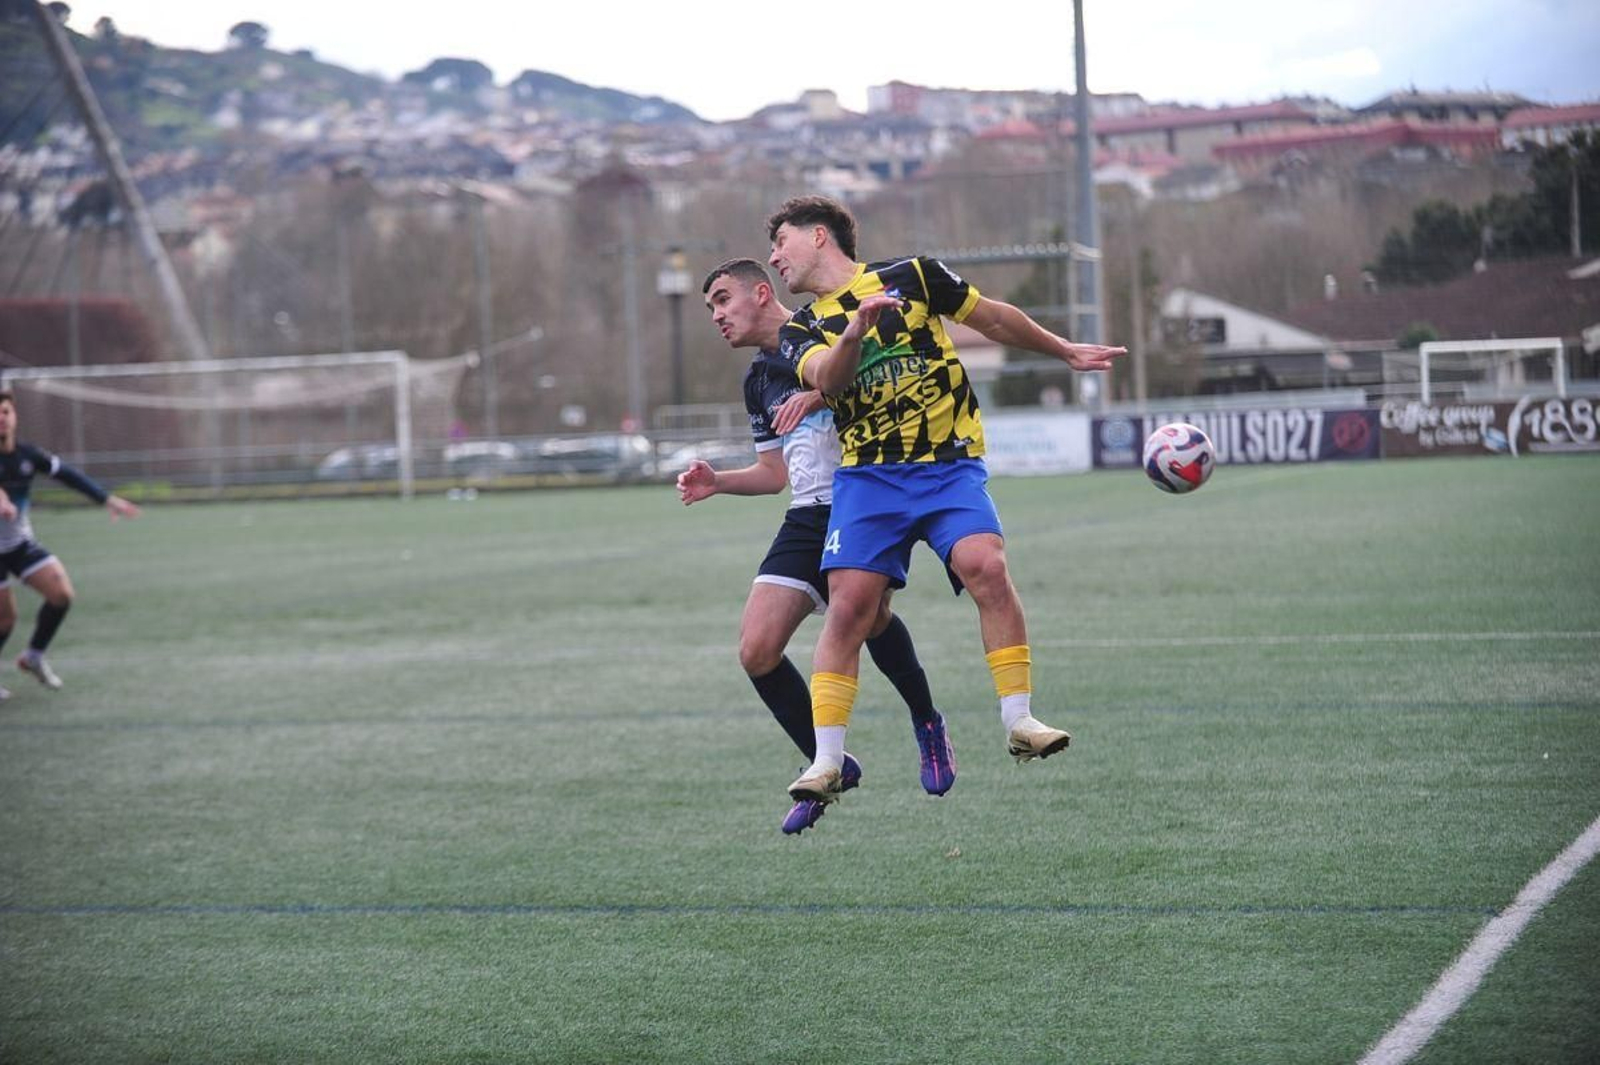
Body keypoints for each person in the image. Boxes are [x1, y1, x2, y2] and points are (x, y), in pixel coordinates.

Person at [764, 195, 1127, 806]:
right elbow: (830, 379)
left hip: (947, 466)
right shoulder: (800, 329)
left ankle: (1019, 721)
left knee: (986, 564)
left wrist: (1063, 350)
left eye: (781, 242)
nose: (775, 257)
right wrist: (856, 330)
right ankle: (826, 760)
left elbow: (993, 318)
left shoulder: (915, 275)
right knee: (849, 608)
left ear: (819, 236)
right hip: (869, 481)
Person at [677, 258, 956, 834]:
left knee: (871, 618)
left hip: (867, 496)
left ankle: (927, 722)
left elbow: (878, 380)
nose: (717, 315)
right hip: (807, 513)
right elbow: (774, 473)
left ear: (761, 292)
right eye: (710, 308)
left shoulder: (824, 325)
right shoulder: (758, 379)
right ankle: (830, 763)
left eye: (723, 300)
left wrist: (824, 395)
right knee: (757, 650)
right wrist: (719, 481)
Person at [0, 390, 140, 697]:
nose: (1, 419)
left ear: (15, 416)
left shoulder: (27, 455)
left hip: (18, 545)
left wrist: (106, 499)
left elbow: (68, 475)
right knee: (5, 619)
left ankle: (33, 656)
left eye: (5, 412)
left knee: (61, 593)